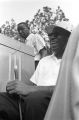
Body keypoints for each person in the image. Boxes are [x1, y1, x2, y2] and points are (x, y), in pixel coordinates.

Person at [0, 21, 71, 120]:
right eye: (50, 35)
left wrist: (30, 90)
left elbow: (71, 90)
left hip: (58, 105)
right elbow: (34, 87)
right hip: (35, 102)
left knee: (35, 99)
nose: (52, 37)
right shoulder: (44, 61)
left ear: (71, 38)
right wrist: (19, 89)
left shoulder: (75, 61)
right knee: (2, 100)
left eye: (57, 34)